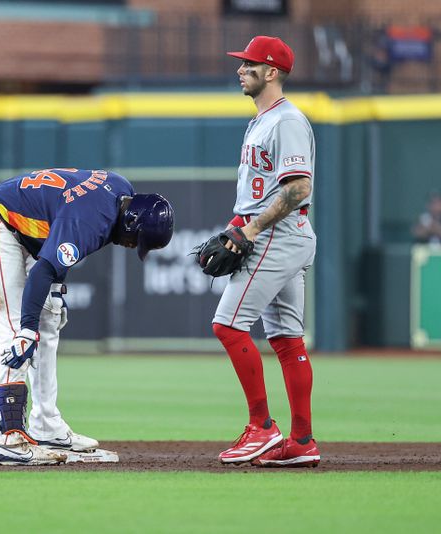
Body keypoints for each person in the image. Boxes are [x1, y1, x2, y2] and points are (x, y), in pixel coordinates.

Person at [0, 168, 174, 465]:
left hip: (17, 230)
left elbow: (58, 226)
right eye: (138, 240)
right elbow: (46, 266)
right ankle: (9, 438)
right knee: (16, 330)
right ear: (132, 222)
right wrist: (28, 329)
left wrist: (52, 297)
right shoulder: (93, 219)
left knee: (49, 318)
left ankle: (46, 425)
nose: (133, 245)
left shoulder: (118, 189)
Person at [212, 37, 320, 467]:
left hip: (278, 235)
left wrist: (252, 228)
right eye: (241, 63)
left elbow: (298, 188)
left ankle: (262, 427)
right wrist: (236, 226)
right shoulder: (261, 120)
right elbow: (255, 191)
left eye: (250, 64)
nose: (240, 69)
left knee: (228, 326)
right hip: (276, 232)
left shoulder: (286, 121)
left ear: (272, 72)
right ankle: (302, 441)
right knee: (287, 340)